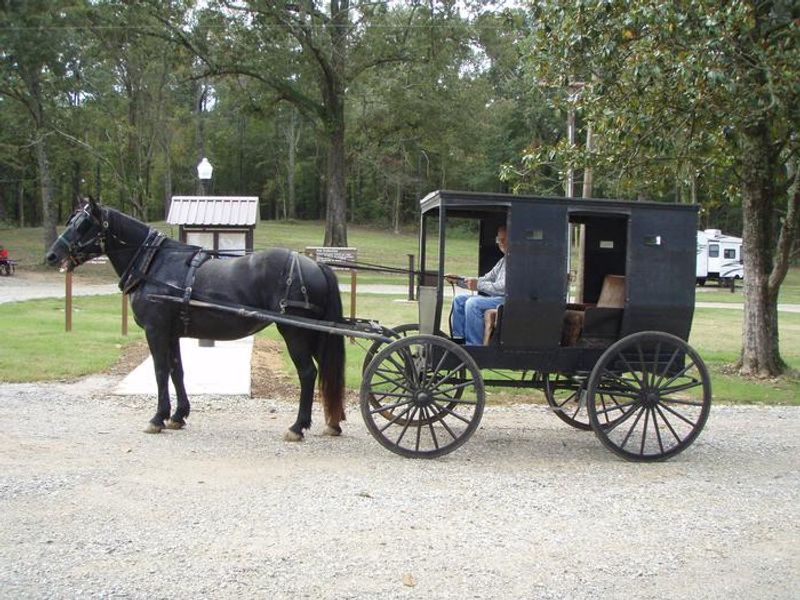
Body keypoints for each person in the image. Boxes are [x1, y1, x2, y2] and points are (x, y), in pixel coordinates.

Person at [445, 225, 507, 345]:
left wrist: (478, 285)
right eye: (499, 240)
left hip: (508, 300)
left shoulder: (518, 262)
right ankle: (458, 341)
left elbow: (502, 288)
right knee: (459, 300)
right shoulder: (503, 261)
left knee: (473, 303)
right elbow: (485, 279)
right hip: (497, 299)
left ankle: (473, 346)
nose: (501, 243)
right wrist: (458, 280)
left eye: (504, 239)